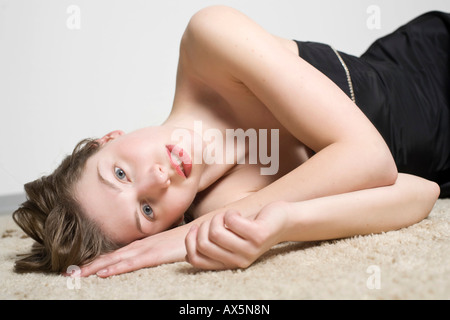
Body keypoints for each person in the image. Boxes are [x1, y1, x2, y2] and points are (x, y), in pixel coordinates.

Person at [12, 6, 448, 275]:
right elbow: (421, 190)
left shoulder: (209, 43)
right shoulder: (221, 207)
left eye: (121, 172)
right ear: (163, 229)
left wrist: (196, 230)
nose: (159, 179)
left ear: (107, 139)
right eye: (147, 211)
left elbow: (372, 158)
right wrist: (282, 224)